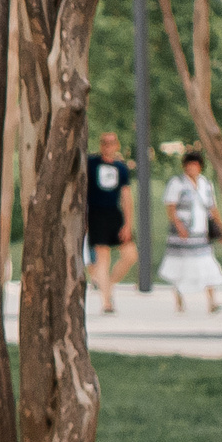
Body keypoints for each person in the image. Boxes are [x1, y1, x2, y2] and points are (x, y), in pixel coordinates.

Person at [159, 152, 222, 313]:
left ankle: (212, 301)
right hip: (183, 234)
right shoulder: (177, 183)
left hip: (201, 233)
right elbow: (171, 208)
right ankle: (179, 301)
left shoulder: (205, 184)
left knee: (207, 265)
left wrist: (220, 228)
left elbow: (212, 207)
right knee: (180, 267)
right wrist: (178, 226)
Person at [86, 131, 137, 314]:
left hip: (114, 214)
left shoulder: (121, 168)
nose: (108, 146)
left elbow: (126, 196)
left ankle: (108, 284)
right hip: (96, 213)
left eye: (112, 143)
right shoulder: (91, 164)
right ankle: (106, 301)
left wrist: (128, 223)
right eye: (104, 143)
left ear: (117, 145)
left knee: (130, 255)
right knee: (102, 256)